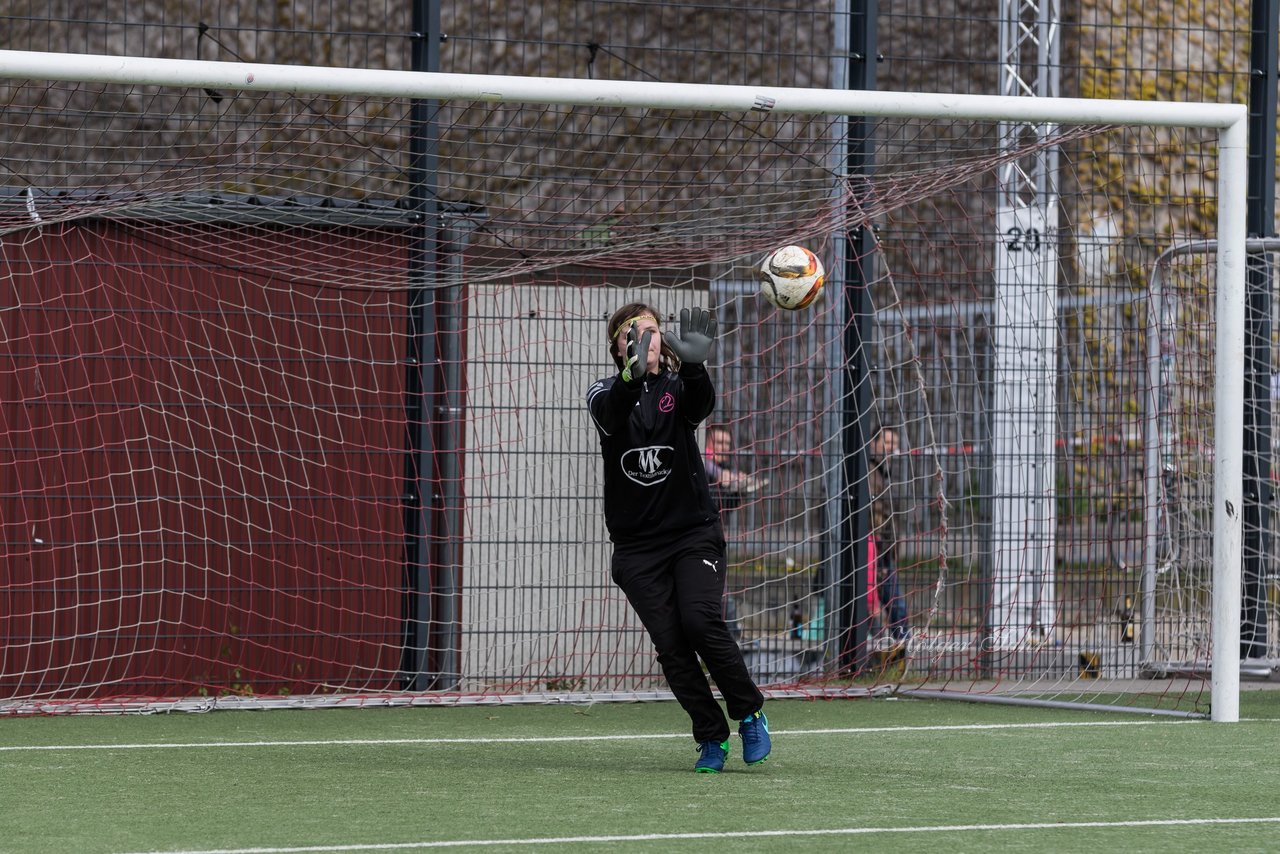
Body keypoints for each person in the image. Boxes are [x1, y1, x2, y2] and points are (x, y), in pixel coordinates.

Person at [586, 302, 771, 774]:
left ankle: (749, 711)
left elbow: (700, 407)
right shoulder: (603, 393)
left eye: (653, 330)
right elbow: (612, 415)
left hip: (692, 535)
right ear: (618, 346)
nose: (649, 338)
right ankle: (711, 736)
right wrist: (628, 378)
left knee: (701, 622)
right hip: (637, 549)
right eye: (636, 333)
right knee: (671, 646)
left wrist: (694, 367)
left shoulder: (676, 387)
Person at [868, 426, 910, 643]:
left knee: (889, 606)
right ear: (873, 443)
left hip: (882, 552)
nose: (891, 448)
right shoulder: (871, 474)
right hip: (876, 553)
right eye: (887, 442)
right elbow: (876, 521)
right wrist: (882, 556)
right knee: (895, 606)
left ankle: (896, 647)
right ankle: (902, 648)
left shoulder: (882, 474)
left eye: (894, 443)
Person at [702, 425, 766, 515]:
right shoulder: (701, 464)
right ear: (706, 442)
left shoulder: (725, 466)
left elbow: (724, 510)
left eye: (727, 443)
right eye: (720, 442)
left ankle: (740, 484)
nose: (724, 447)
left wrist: (738, 493)